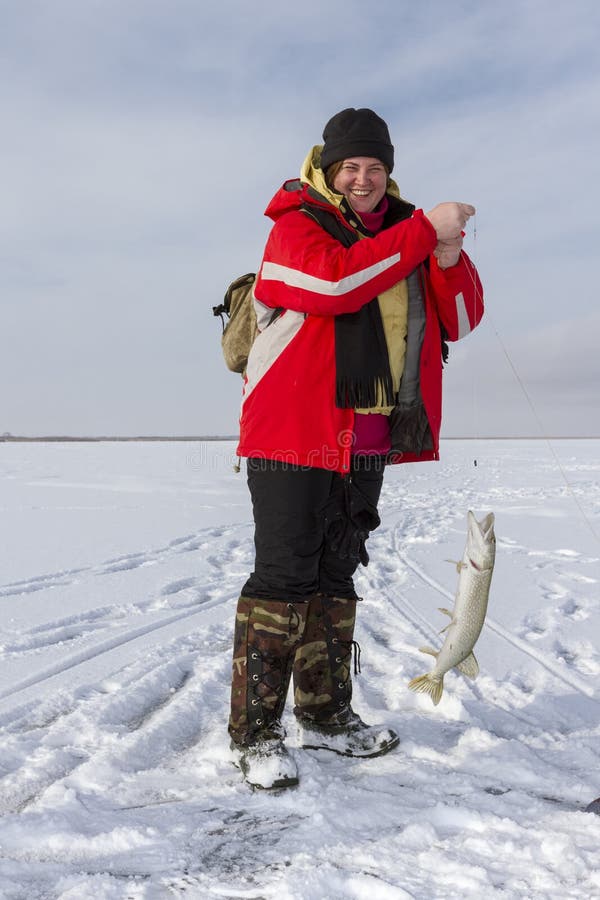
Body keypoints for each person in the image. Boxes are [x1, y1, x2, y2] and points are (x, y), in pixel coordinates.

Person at [228, 107, 484, 789]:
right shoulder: (296, 227)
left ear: (387, 171)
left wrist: (449, 256)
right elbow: (336, 283)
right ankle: (255, 735)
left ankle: (325, 715)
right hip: (292, 431)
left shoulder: (408, 238)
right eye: (351, 166)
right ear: (331, 170)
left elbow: (458, 317)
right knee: (284, 580)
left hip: (367, 437)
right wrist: (424, 232)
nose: (364, 177)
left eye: (375, 166)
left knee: (336, 580)